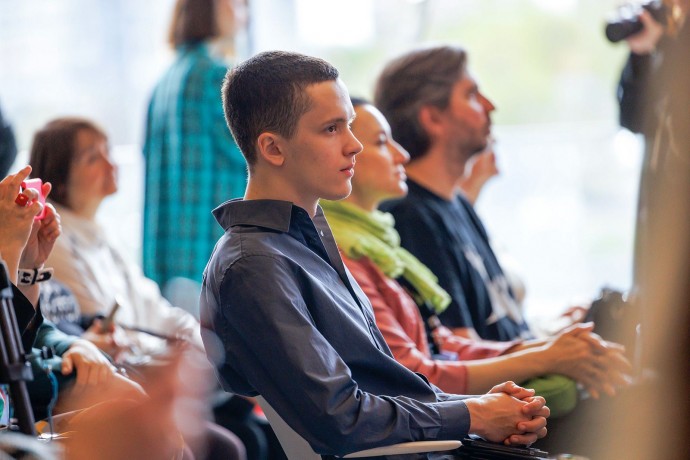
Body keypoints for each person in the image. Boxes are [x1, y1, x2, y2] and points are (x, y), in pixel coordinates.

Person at [201, 50, 550, 459]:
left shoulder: (301, 242)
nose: (354, 146)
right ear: (273, 148)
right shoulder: (255, 266)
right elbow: (342, 416)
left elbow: (385, 386)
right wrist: (472, 413)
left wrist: (482, 408)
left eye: (348, 125)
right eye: (332, 129)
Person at [320, 99, 630, 405]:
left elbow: (439, 342)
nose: (402, 155)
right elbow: (410, 374)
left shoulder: (380, 247)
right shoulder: (349, 255)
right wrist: (542, 358)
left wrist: (545, 349)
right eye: (382, 142)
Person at [375, 45, 533, 343]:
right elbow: (460, 350)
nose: (490, 105)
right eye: (472, 95)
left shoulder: (456, 201)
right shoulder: (411, 217)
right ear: (433, 119)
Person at [29, 118, 201, 358]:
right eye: (93, 158)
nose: (111, 165)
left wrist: (199, 340)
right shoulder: (51, 240)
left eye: (107, 151)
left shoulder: (100, 231)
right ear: (59, 182)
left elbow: (153, 307)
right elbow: (107, 331)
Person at [142, 0, 249, 292]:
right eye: (237, 3)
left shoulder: (165, 81)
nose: (243, 12)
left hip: (169, 263)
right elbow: (256, 157)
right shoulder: (217, 76)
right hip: (214, 256)